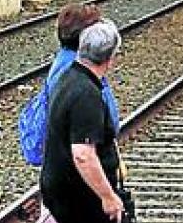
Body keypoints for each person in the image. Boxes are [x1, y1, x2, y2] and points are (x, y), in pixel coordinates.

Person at [41, 21, 126, 223]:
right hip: (80, 198)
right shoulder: (86, 95)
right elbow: (83, 155)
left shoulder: (68, 76)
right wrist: (108, 197)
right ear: (110, 59)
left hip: (62, 189)